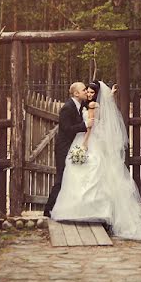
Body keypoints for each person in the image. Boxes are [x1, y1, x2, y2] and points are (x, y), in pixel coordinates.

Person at [50, 80, 141, 240]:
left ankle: (88, 211)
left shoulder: (91, 106)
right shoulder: (78, 106)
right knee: (75, 176)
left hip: (87, 140)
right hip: (79, 141)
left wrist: (84, 142)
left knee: (90, 173)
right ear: (78, 93)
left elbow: (91, 126)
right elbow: (78, 126)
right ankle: (62, 209)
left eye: (91, 91)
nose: (88, 93)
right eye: (86, 91)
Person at [43, 82, 92, 217]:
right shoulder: (67, 108)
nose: (86, 92)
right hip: (64, 148)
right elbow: (67, 129)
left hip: (72, 147)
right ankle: (48, 210)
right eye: (83, 90)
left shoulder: (79, 105)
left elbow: (95, 103)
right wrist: (85, 125)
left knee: (71, 178)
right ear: (76, 93)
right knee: (61, 178)